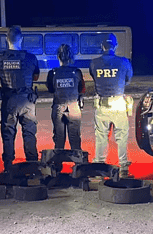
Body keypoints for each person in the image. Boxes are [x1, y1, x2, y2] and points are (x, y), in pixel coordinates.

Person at [0, 26, 40, 171]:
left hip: (9, 100)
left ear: (7, 40)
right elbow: (35, 76)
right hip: (27, 100)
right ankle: (32, 166)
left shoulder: (0, 58)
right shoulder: (30, 58)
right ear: (21, 39)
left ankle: (8, 166)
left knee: (8, 134)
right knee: (29, 133)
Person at [89, 33, 134, 178]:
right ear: (116, 46)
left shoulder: (94, 63)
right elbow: (128, 80)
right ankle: (123, 168)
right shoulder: (124, 62)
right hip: (118, 103)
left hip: (102, 104)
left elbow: (94, 77)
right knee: (121, 136)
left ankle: (100, 168)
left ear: (102, 46)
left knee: (101, 136)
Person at [46, 43, 85, 150]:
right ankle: (77, 160)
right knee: (75, 139)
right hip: (74, 107)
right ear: (71, 57)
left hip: (58, 107)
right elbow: (81, 89)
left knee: (59, 140)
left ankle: (58, 160)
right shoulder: (77, 72)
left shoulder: (52, 73)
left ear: (58, 57)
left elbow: (51, 89)